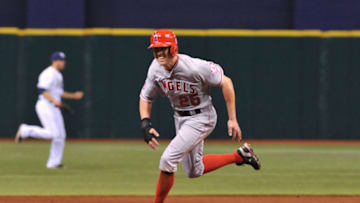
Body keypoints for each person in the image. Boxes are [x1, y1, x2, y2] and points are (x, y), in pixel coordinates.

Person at [139, 29, 261, 203]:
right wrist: (145, 122)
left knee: (167, 159)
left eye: (162, 48)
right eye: (155, 49)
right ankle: (241, 156)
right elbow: (146, 97)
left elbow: (226, 82)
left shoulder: (194, 67)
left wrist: (232, 119)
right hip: (180, 118)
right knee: (194, 171)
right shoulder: (155, 69)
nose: (158, 53)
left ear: (173, 48)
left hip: (202, 117)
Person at [15, 51, 84, 169]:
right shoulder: (48, 73)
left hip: (54, 107)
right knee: (52, 133)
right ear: (55, 61)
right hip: (46, 105)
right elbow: (42, 90)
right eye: (61, 60)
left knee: (61, 135)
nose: (63, 63)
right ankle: (25, 130)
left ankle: (54, 163)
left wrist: (73, 95)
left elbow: (59, 93)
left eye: (64, 60)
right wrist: (54, 101)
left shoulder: (58, 75)